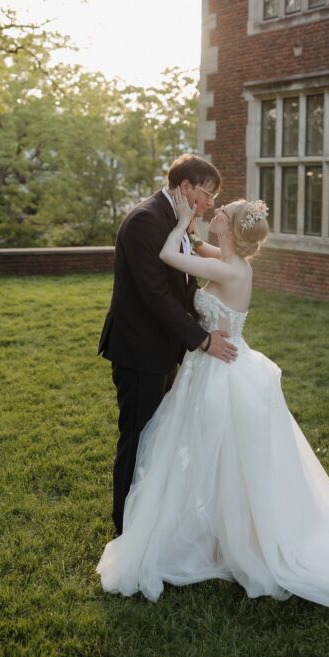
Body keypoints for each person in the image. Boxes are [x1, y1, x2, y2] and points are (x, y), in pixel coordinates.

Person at [97, 192, 329, 609]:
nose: (217, 210)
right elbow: (194, 247)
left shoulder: (228, 270)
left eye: (223, 212)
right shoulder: (226, 259)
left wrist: (178, 224)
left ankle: (232, 536)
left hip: (220, 372)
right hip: (212, 366)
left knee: (223, 452)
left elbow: (169, 254)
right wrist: (190, 225)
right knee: (213, 451)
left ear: (229, 227)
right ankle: (212, 529)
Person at [98, 154, 237, 536]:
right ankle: (125, 528)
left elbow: (185, 284)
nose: (209, 203)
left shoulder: (178, 221)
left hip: (165, 349)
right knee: (138, 437)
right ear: (185, 188)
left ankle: (149, 515)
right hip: (140, 349)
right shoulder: (145, 220)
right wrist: (202, 339)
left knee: (157, 438)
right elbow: (156, 295)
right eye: (207, 194)